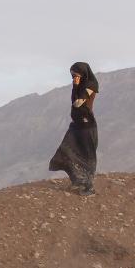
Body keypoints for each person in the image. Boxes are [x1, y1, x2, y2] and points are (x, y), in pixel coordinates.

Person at [49, 62, 99, 196]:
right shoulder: (79, 86)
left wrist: (76, 86)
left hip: (86, 125)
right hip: (77, 124)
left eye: (75, 75)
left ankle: (89, 187)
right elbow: (74, 100)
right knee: (66, 150)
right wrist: (75, 86)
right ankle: (78, 181)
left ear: (82, 73)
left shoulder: (91, 85)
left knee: (87, 156)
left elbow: (78, 103)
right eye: (72, 76)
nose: (74, 78)